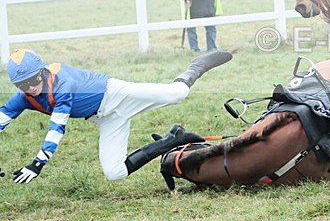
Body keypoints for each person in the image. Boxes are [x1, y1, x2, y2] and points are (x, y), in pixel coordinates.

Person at [0, 48, 232, 183]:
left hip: (117, 94)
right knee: (114, 173)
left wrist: (37, 164)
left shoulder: (63, 84)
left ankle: (196, 65)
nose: (30, 88)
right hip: (105, 117)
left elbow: (57, 129)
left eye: (33, 80)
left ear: (42, 72)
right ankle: (173, 140)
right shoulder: (23, 98)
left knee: (178, 93)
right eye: (22, 85)